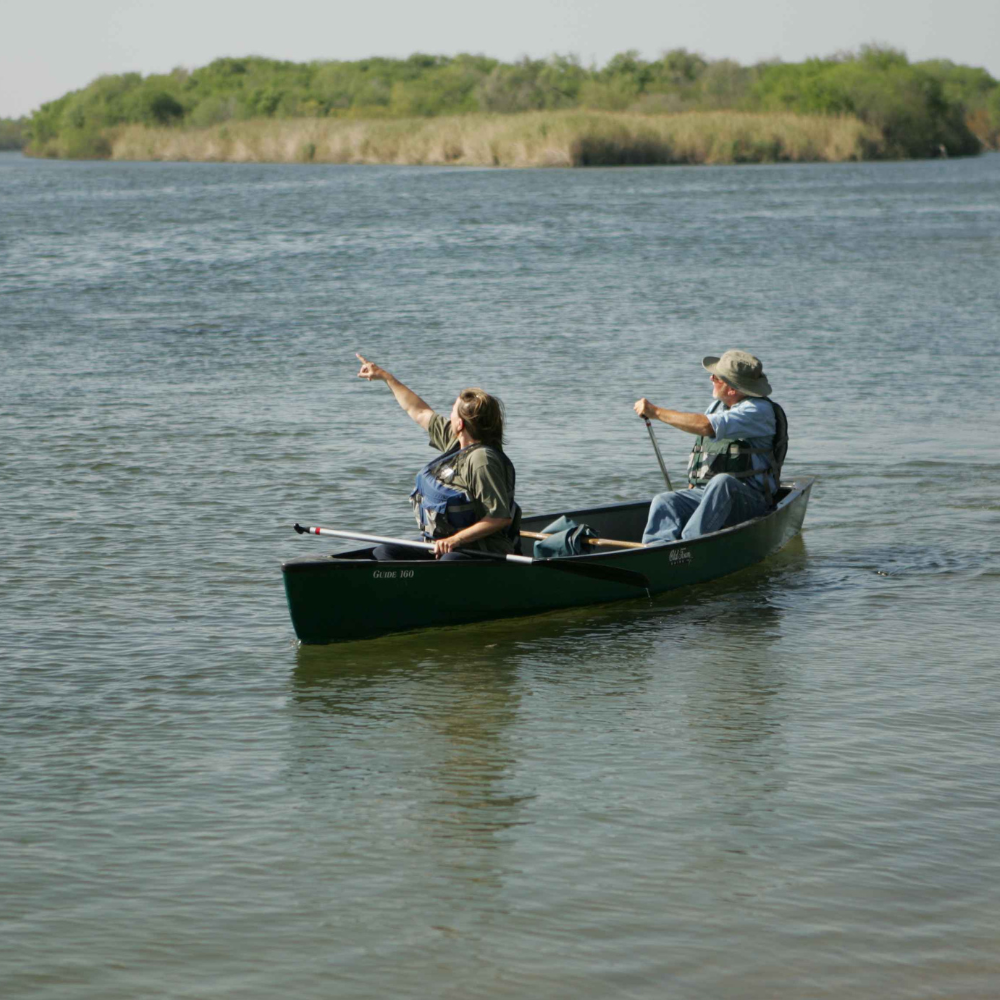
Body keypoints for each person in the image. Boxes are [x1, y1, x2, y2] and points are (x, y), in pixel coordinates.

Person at [355, 353, 520, 560]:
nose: (449, 416)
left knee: (448, 562)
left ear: (460, 424)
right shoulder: (456, 442)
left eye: (452, 411)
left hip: (482, 550)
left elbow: (500, 517)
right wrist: (386, 377)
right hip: (446, 544)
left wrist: (455, 540)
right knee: (386, 551)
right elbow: (419, 411)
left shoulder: (482, 461)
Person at [633, 350, 787, 543]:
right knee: (666, 500)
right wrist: (693, 483)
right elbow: (705, 448)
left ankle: (689, 545)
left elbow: (706, 425)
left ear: (732, 388)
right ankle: (656, 550)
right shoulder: (717, 406)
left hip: (751, 501)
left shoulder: (758, 411)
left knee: (722, 483)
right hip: (712, 495)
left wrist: (656, 412)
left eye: (716, 377)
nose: (710, 378)